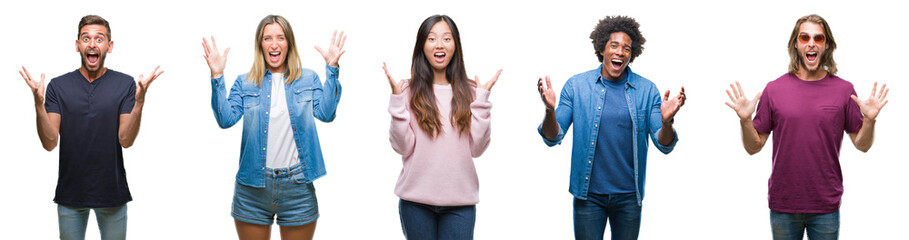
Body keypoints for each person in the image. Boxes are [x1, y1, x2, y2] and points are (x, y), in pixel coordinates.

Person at [724, 14, 888, 240]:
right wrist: (744, 121)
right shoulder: (774, 89)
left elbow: (862, 145)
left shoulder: (844, 90)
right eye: (805, 37)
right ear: (796, 43)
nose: (812, 43)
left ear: (826, 44)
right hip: (783, 204)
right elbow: (753, 147)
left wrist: (869, 120)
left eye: (818, 38)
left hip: (825, 205)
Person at [536, 16, 685, 240]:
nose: (620, 52)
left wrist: (667, 122)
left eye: (626, 48)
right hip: (589, 197)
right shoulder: (577, 86)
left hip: (628, 198)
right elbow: (552, 136)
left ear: (631, 54)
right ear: (602, 49)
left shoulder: (647, 91)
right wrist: (549, 110)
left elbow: (664, 144)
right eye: (614, 46)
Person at [19, 15, 163, 240]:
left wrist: (140, 103)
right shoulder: (58, 86)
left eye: (99, 39)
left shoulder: (125, 84)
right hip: (70, 195)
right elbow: (49, 142)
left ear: (109, 46)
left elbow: (125, 140)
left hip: (112, 194)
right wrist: (38, 104)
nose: (92, 44)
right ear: (77, 45)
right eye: (86, 38)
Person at [203, 15, 346, 240]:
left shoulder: (309, 79)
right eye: (267, 38)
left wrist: (332, 68)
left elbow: (327, 114)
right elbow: (225, 119)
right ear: (260, 44)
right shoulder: (245, 82)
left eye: (280, 37)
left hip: (298, 187)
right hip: (252, 188)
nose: (274, 44)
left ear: (289, 42)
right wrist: (217, 76)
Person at [382, 14, 501, 240]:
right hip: (415, 203)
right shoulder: (407, 90)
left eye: (446, 39)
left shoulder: (472, 91)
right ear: (422, 46)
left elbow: (477, 149)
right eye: (431, 38)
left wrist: (482, 102)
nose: (439, 45)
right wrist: (397, 101)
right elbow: (402, 147)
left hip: (460, 205)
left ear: (455, 45)